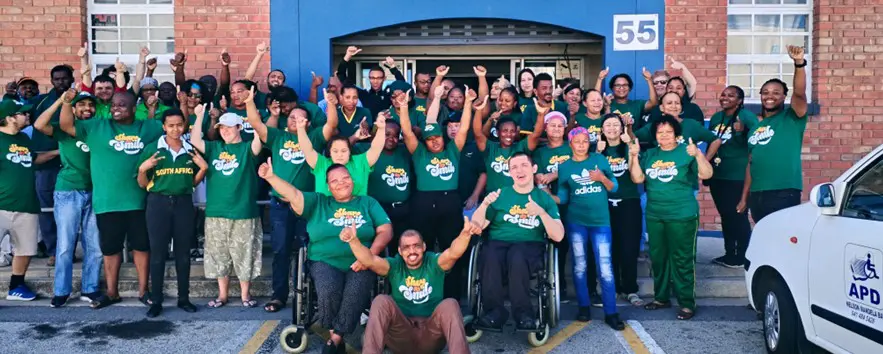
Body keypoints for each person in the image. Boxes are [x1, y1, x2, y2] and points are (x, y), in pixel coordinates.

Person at [259, 158, 392, 354]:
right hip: (324, 260)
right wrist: (271, 177)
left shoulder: (368, 203)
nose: (341, 183)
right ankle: (337, 336)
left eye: (345, 178)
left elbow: (385, 230)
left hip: (362, 261)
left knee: (357, 288)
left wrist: (369, 257)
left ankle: (334, 339)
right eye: (334, 181)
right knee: (329, 288)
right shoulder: (319, 202)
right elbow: (293, 194)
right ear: (328, 186)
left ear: (352, 180)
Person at [58, 91, 163, 309]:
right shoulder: (96, 126)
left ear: (134, 109)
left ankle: (144, 291)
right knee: (110, 249)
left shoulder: (148, 127)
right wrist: (67, 102)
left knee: (141, 247)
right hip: (107, 201)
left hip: (140, 200)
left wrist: (154, 108)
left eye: (122, 105)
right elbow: (66, 125)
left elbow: (173, 127)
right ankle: (112, 293)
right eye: (114, 105)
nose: (116, 108)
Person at [247, 87, 339, 313]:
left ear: (308, 123)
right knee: (281, 251)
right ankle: (279, 296)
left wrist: (331, 104)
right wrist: (250, 102)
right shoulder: (278, 136)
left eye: (301, 118)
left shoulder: (314, 137)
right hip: (281, 205)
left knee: (311, 250)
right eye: (292, 118)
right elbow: (257, 124)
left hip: (308, 206)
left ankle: (313, 296)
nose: (295, 120)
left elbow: (331, 125)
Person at [397, 86, 480, 300]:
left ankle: (452, 297)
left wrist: (468, 103)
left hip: (449, 202)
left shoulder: (453, 150)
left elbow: (463, 129)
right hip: (423, 203)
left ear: (443, 137)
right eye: (429, 138)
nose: (434, 141)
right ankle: (423, 293)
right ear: (424, 141)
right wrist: (403, 108)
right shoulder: (419, 153)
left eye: (437, 137)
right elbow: (407, 132)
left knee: (451, 250)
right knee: (422, 250)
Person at [629, 115, 713, 320]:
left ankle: (687, 303)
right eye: (660, 132)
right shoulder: (650, 154)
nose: (664, 135)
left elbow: (707, 174)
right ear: (655, 135)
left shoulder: (686, 152)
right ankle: (661, 298)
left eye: (668, 132)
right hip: (655, 214)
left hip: (682, 214)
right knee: (658, 257)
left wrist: (698, 155)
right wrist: (634, 156)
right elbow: (637, 178)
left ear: (676, 134)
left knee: (682, 258)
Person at [471, 152, 564, 330]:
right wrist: (484, 204)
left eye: (524, 165)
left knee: (517, 255)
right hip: (498, 242)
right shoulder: (500, 195)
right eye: (514, 167)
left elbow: (558, 235)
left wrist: (541, 213)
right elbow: (477, 226)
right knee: (489, 255)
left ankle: (524, 314)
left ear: (534, 168)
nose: (519, 171)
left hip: (530, 245)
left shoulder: (544, 198)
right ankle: (494, 312)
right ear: (509, 172)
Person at [190, 95, 264, 309]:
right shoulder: (214, 148)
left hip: (243, 212)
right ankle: (222, 295)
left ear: (239, 127)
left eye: (229, 127)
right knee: (219, 256)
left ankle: (245, 295)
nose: (224, 131)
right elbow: (195, 141)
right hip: (216, 211)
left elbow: (259, 142)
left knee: (244, 255)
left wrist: (254, 120)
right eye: (222, 127)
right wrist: (199, 116)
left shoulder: (247, 149)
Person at [546, 126, 624, 329]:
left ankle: (611, 312)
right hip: (576, 223)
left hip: (600, 222)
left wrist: (601, 178)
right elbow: (563, 198)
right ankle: (583, 308)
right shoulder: (564, 167)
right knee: (579, 266)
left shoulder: (599, 160)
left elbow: (614, 187)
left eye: (584, 141)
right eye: (577, 142)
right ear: (570, 144)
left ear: (589, 143)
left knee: (605, 268)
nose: (581, 145)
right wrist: (548, 196)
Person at [357, 225, 479, 354]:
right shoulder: (395, 265)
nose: (412, 251)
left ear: (424, 247)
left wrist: (465, 235)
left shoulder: (433, 262)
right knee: (381, 301)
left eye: (416, 246)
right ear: (400, 251)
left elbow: (453, 253)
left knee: (450, 304)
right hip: (400, 336)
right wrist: (353, 241)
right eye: (406, 247)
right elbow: (369, 260)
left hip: (431, 336)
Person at [32, 91, 104, 307]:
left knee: (95, 245)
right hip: (68, 191)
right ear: (73, 108)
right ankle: (61, 291)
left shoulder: (99, 128)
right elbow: (39, 124)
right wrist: (62, 100)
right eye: (81, 105)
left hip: (96, 191)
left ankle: (90, 289)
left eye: (90, 105)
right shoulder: (64, 130)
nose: (87, 108)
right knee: (65, 245)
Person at [137, 108, 208, 317]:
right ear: (164, 127)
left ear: (184, 125)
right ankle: (156, 301)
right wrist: (143, 169)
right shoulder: (153, 149)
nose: (175, 129)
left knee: (183, 253)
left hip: (183, 203)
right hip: (157, 203)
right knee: (158, 253)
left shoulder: (191, 149)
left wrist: (203, 169)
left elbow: (192, 182)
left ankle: (184, 298)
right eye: (171, 125)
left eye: (179, 125)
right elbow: (142, 184)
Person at [740, 45, 809, 223]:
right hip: (757, 193)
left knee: (783, 236)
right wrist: (744, 197)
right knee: (763, 236)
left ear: (784, 97)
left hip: (783, 191)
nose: (769, 96)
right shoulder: (755, 128)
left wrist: (799, 64)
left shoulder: (792, 117)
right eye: (765, 92)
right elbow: (750, 164)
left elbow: (800, 93)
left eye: (776, 93)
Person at [596, 114, 645, 307]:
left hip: (628, 202)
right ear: (602, 130)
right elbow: (594, 177)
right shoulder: (598, 149)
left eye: (616, 124)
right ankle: (613, 289)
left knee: (629, 248)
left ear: (622, 128)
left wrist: (631, 150)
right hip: (605, 204)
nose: (612, 128)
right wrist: (597, 152)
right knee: (610, 248)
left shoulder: (630, 147)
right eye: (607, 125)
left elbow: (635, 177)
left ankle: (630, 289)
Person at [0, 99, 46, 301]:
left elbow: (34, 159)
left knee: (25, 250)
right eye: (22, 113)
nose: (27, 116)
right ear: (10, 118)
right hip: (1, 205)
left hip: (27, 204)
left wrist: (60, 152)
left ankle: (16, 287)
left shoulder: (24, 139)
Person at [707, 86, 757, 268]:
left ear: (740, 100)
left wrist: (742, 131)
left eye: (731, 95)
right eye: (723, 94)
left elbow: (756, 142)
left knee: (738, 215)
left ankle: (744, 255)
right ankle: (730, 254)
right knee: (726, 215)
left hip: (738, 175)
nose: (725, 98)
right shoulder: (716, 118)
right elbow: (711, 142)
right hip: (719, 174)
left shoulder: (746, 117)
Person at [31, 65, 75, 266]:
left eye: (64, 78)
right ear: (51, 81)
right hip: (46, 164)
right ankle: (53, 250)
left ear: (71, 79)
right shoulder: (40, 102)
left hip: (73, 163)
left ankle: (69, 250)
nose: (61, 82)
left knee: (71, 210)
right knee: (47, 208)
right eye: (57, 79)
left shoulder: (79, 100)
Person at [300, 97, 386, 197]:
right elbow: (307, 149)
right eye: (335, 151)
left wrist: (381, 128)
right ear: (329, 152)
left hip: (357, 207)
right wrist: (301, 129)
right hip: (326, 207)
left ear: (350, 151)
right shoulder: (321, 164)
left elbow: (376, 148)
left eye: (344, 151)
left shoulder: (360, 162)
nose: (339, 155)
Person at [475, 93, 545, 193]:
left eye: (512, 131)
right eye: (505, 131)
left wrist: (541, 114)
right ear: (497, 132)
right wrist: (478, 111)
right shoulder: (490, 147)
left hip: (518, 197)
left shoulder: (521, 147)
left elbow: (536, 134)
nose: (509, 134)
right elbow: (478, 133)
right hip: (494, 198)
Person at [367, 118, 412, 251]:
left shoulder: (404, 151)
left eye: (395, 135)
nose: (391, 139)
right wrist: (355, 137)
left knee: (401, 247)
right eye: (387, 134)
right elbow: (338, 151)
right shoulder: (368, 152)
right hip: (378, 210)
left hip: (403, 209)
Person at [337, 47, 406, 117]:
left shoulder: (388, 96)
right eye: (372, 78)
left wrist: (393, 67)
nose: (375, 81)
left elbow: (403, 85)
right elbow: (341, 75)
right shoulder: (363, 94)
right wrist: (347, 56)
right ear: (369, 78)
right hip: (365, 124)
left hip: (386, 124)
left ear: (384, 79)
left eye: (379, 78)